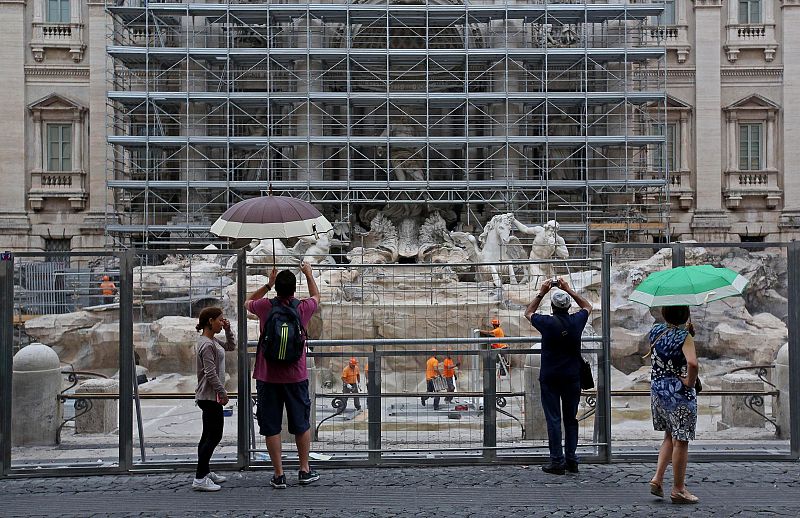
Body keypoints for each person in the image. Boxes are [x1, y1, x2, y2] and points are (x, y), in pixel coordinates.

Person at [246, 262, 321, 489]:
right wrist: (308, 273)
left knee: (271, 426)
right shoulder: (302, 308)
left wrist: (267, 285)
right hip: (296, 376)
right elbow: (317, 295)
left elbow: (246, 301)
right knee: (301, 424)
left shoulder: (264, 306)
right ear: (294, 290)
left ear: (277, 288)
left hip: (267, 376)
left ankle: (279, 475)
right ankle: (304, 469)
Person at [524, 277, 592, 475]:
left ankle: (556, 461)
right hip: (572, 377)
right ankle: (571, 459)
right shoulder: (576, 321)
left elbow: (528, 312)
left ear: (552, 307)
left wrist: (542, 292)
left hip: (550, 377)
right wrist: (569, 290)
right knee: (571, 419)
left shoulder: (546, 322)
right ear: (569, 306)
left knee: (554, 419)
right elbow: (587, 306)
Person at [647, 305, 700, 504]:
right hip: (678, 392)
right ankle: (678, 489)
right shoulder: (684, 337)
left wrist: (686, 332)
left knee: (669, 434)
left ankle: (657, 479)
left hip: (659, 390)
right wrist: (690, 382)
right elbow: (692, 363)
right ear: (685, 315)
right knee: (681, 439)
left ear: (664, 313)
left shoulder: (655, 331)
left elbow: (665, 354)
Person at [192, 306, 235, 491]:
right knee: (214, 436)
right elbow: (210, 373)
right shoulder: (207, 344)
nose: (222, 322)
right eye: (220, 319)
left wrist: (228, 331)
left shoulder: (211, 340)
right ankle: (200, 478)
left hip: (209, 396)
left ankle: (205, 471)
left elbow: (231, 347)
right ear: (210, 321)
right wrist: (222, 392)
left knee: (207, 436)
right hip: (209, 396)